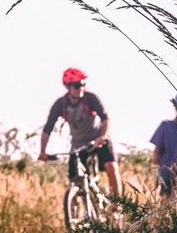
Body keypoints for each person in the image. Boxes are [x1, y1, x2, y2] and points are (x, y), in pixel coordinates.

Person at [38, 67, 122, 199]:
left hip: (97, 139)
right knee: (75, 180)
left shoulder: (91, 98)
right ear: (68, 87)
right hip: (78, 144)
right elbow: (47, 129)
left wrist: (103, 136)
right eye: (77, 86)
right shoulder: (61, 104)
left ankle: (118, 204)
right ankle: (75, 214)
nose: (81, 88)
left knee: (111, 166)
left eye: (83, 84)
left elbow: (105, 118)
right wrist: (43, 151)